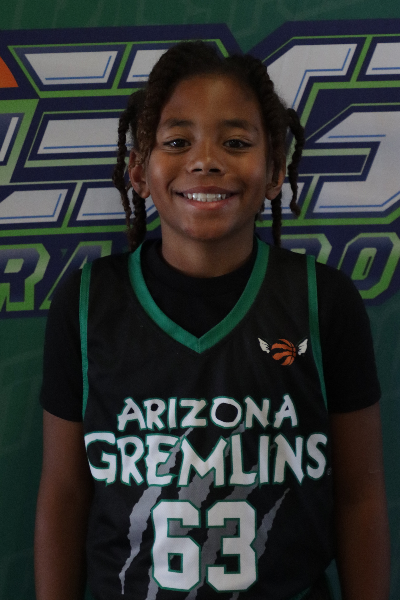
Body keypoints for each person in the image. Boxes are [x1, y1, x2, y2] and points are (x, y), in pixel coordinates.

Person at [35, 41, 390, 600]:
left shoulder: (323, 301)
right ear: (138, 171)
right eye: (177, 142)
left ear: (275, 170)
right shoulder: (86, 303)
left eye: (236, 143)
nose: (205, 160)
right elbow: (64, 495)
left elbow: (359, 496)